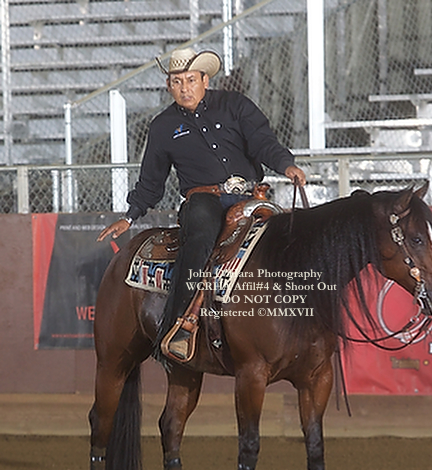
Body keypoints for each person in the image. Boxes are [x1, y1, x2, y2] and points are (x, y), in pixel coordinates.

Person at [98, 46, 306, 360]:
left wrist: (286, 165)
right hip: (203, 200)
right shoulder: (163, 126)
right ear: (168, 86)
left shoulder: (235, 105)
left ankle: (298, 322)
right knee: (200, 238)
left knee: (286, 240)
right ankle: (178, 324)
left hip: (252, 197)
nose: (185, 88)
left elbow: (264, 142)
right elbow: (151, 182)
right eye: (177, 82)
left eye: (191, 80)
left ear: (205, 80)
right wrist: (130, 216)